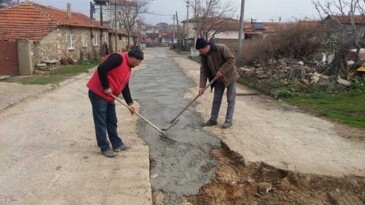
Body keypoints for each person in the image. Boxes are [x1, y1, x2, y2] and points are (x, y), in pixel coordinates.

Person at [87, 48, 144, 157]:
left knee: (112, 120)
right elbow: (102, 68)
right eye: (139, 61)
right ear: (133, 58)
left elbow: (124, 86)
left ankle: (117, 144)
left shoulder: (128, 68)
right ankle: (104, 147)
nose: (139, 64)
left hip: (109, 97)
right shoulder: (118, 58)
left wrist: (130, 103)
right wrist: (106, 87)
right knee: (101, 121)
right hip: (98, 93)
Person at [195, 38, 239, 129]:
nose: (200, 52)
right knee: (216, 99)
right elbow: (204, 71)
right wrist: (202, 87)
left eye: (201, 50)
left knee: (230, 99)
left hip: (230, 77)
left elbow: (231, 59)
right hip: (218, 80)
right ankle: (213, 120)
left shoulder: (221, 48)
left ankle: (228, 121)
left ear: (207, 46)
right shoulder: (204, 56)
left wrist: (222, 70)